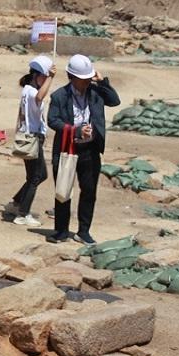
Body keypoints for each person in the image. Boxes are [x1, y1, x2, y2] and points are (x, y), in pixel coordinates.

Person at [46, 54, 121, 245]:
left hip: (90, 150)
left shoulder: (96, 92)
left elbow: (114, 101)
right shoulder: (59, 96)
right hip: (67, 149)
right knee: (63, 190)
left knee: (89, 191)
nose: (87, 82)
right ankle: (61, 231)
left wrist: (102, 81)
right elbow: (53, 120)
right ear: (72, 77)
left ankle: (83, 231)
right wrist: (76, 130)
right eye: (83, 79)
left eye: (89, 78)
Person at [4, 55, 56, 228]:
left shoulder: (27, 89)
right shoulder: (32, 91)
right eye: (43, 77)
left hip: (31, 137)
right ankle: (22, 214)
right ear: (37, 75)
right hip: (32, 138)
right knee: (36, 177)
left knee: (36, 175)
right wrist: (51, 78)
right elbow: (40, 97)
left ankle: (17, 202)